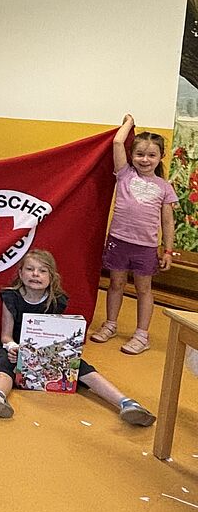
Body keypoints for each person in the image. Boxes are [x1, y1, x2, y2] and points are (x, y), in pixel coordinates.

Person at [0, 250, 156, 425]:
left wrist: (66, 352)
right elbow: (5, 336)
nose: (35, 274)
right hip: (16, 346)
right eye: (30, 269)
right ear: (20, 273)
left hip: (47, 349)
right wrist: (13, 347)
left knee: (80, 366)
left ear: (51, 277)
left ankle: (126, 403)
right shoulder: (11, 297)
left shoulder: (57, 300)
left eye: (42, 271)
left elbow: (55, 335)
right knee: (6, 364)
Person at [89, 114, 178, 355]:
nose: (145, 159)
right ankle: (110, 324)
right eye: (139, 154)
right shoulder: (125, 174)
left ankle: (141, 335)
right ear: (131, 155)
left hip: (145, 247)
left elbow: (167, 222)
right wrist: (129, 122)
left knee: (143, 289)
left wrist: (168, 250)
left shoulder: (164, 187)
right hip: (119, 241)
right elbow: (118, 142)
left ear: (160, 157)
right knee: (116, 284)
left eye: (151, 155)